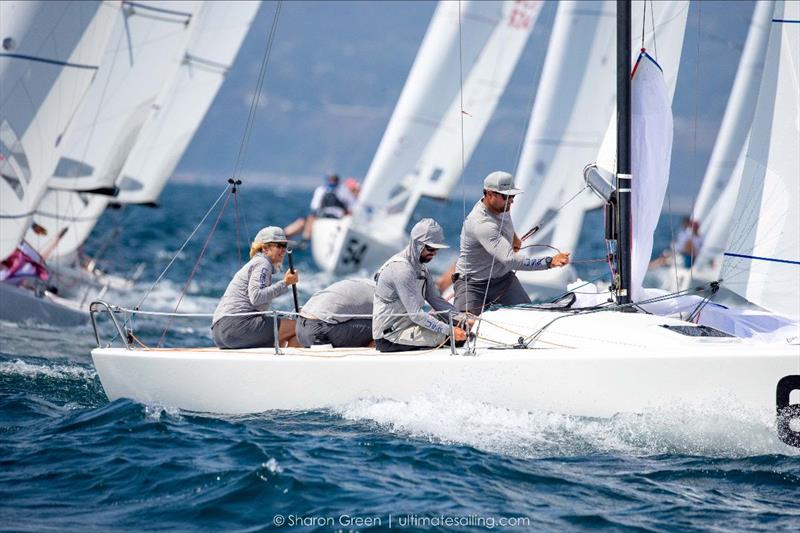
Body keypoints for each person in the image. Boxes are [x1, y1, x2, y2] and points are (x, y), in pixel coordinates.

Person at [453, 171, 570, 314]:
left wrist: (513, 237)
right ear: (489, 194)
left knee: (531, 319)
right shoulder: (482, 224)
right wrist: (550, 261)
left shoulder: (500, 205)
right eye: (506, 196)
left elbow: (505, 221)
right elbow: (512, 261)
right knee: (463, 330)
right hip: (472, 284)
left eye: (512, 196)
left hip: (503, 280)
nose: (511, 200)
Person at [373, 218, 469, 352]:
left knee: (462, 328)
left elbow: (436, 300)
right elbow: (416, 315)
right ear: (417, 244)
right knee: (457, 339)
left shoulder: (422, 269)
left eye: (437, 249)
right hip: (390, 336)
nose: (434, 253)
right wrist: (450, 330)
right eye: (430, 248)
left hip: (410, 325)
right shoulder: (401, 270)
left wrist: (462, 319)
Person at [211, 227, 300, 349]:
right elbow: (257, 297)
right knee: (299, 328)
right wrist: (285, 283)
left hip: (219, 333)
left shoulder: (257, 263)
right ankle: (291, 366)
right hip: (237, 327)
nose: (283, 250)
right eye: (279, 246)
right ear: (265, 248)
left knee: (284, 335)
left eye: (285, 246)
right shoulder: (263, 263)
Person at [295, 278, 375, 348]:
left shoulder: (361, 283)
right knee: (380, 328)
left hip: (300, 329)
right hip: (320, 332)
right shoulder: (380, 296)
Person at [284, 174, 357, 240]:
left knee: (308, 219)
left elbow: (314, 206)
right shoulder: (324, 190)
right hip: (326, 216)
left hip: (335, 217)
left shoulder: (340, 191)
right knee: (305, 220)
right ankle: (286, 235)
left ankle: (304, 239)